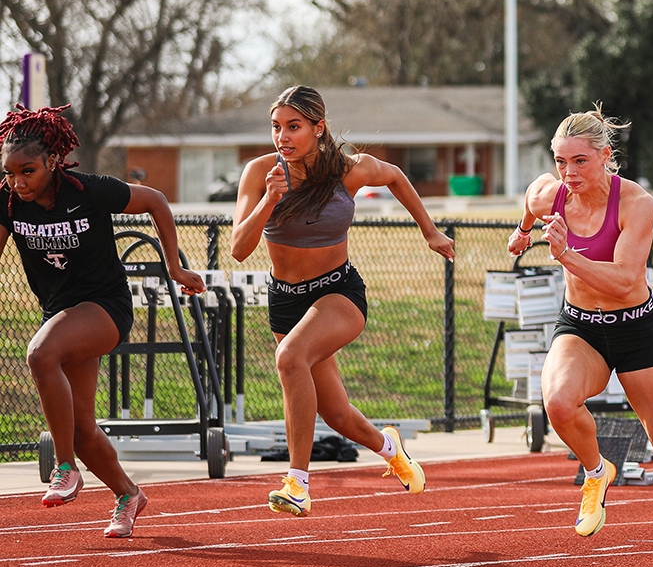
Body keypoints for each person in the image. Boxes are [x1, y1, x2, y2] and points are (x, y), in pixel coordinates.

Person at [507, 107, 653, 567]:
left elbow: (624, 279)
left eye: (580, 162)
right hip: (582, 327)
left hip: (636, 329)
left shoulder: (637, 204)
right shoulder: (552, 193)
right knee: (557, 402)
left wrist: (565, 254)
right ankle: (597, 470)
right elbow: (531, 201)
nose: (568, 173)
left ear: (606, 157)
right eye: (560, 161)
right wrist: (522, 232)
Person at [232, 86, 441, 516]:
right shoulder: (259, 173)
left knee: (290, 357)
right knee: (338, 416)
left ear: (318, 127)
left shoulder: (350, 170)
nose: (282, 137)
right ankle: (391, 449)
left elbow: (396, 177)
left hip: (337, 292)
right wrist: (270, 200)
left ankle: (298, 483)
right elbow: (238, 248)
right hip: (285, 301)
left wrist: (430, 231)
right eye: (276, 127)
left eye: (294, 127)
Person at [3, 106, 205, 537]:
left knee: (40, 354)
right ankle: (128, 494)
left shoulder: (87, 190)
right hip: (60, 312)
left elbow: (155, 200)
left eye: (27, 171)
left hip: (105, 306)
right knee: (79, 427)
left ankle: (63, 469)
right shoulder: (7, 203)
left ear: (53, 163)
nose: (18, 182)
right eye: (10, 173)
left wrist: (174, 265)